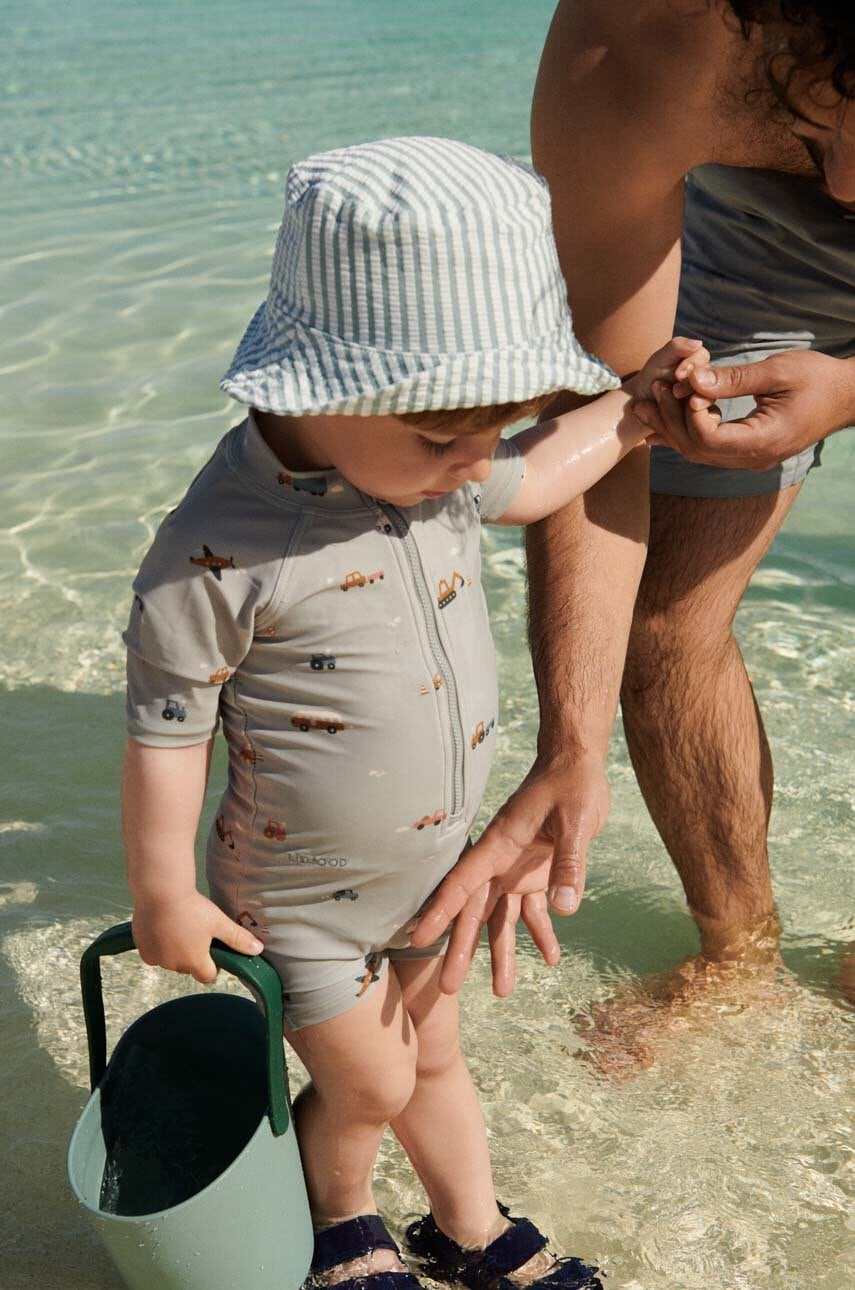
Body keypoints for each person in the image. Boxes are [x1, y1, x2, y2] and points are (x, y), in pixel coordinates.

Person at [121, 136, 710, 1289]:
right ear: (322, 388)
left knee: (435, 1059)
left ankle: (468, 1226)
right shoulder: (218, 552)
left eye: (488, 427)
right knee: (374, 1082)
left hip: (437, 872)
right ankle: (341, 1221)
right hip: (300, 903)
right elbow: (167, 726)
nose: (472, 463)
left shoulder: (429, 463)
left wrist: (632, 420)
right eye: (447, 436)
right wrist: (161, 891)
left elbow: (541, 477)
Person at [411, 2, 855, 1033]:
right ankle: (738, 947)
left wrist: (846, 389)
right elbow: (598, 405)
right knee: (659, 630)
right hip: (759, 238)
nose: (846, 186)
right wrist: (573, 745)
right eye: (817, 121)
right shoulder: (634, 42)